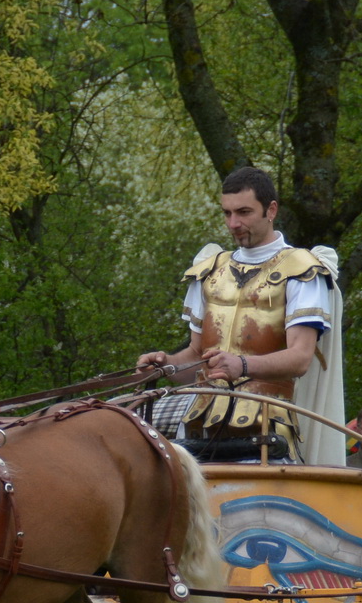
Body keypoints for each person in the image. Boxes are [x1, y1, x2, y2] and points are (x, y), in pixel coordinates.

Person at [137, 166, 347, 464]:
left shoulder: (301, 269)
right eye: (227, 213)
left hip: (266, 424)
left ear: (271, 210)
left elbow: (300, 358)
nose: (233, 223)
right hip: (199, 423)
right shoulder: (210, 270)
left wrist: (242, 364)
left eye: (244, 212)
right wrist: (166, 366)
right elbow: (196, 357)